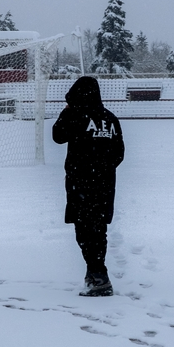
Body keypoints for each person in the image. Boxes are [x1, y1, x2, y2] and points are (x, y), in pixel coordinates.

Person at [52, 76, 125, 296]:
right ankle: (94, 275)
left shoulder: (74, 115)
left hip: (81, 184)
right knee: (98, 230)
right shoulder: (110, 118)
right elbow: (119, 154)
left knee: (84, 231)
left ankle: (99, 277)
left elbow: (57, 136)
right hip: (104, 186)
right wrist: (103, 169)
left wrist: (85, 167)